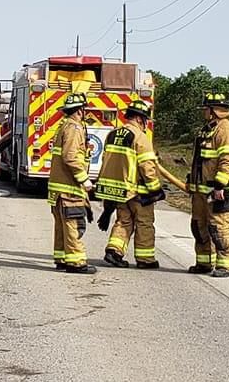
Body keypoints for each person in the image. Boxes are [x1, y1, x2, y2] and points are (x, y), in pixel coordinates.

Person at [97, 98, 164, 268]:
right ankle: (145, 259)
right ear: (141, 119)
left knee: (123, 221)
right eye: (145, 121)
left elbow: (106, 161)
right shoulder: (140, 137)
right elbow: (147, 166)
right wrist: (155, 189)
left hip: (119, 191)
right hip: (138, 191)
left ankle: (114, 251)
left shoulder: (112, 134)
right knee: (144, 223)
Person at [188, 91, 229, 276]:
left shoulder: (226, 132)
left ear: (213, 111)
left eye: (205, 109)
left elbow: (228, 161)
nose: (203, 112)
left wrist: (220, 186)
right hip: (201, 191)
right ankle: (204, 262)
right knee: (199, 226)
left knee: (219, 228)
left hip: (218, 191)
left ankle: (226, 265)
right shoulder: (208, 129)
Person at [49, 91, 97, 273]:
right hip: (69, 187)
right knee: (73, 223)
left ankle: (62, 259)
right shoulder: (74, 128)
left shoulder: (63, 126)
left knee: (62, 224)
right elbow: (70, 156)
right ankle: (76, 262)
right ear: (79, 111)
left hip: (59, 187)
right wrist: (84, 179)